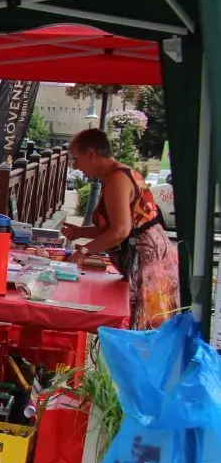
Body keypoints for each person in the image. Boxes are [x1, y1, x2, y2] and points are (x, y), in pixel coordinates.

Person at [61, 128, 180, 329]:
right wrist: (80, 233)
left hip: (148, 261)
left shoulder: (118, 179)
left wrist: (83, 252)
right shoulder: (116, 175)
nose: (75, 166)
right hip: (149, 255)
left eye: (76, 158)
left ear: (91, 154)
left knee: (146, 329)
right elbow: (118, 227)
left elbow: (120, 231)